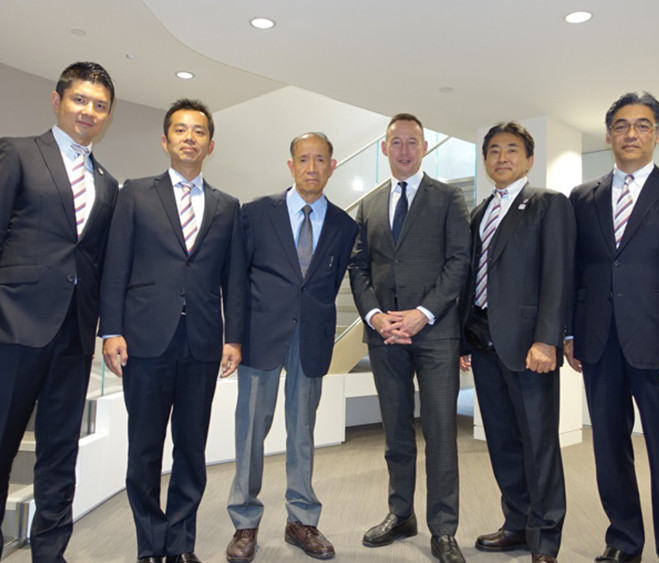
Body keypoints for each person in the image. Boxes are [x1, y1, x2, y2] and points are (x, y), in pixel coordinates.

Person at [0, 61, 118, 562]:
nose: (89, 111)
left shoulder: (107, 182)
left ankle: (51, 553)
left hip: (73, 338)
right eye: (80, 99)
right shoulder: (16, 153)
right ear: (58, 101)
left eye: (99, 105)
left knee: (60, 455)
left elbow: (96, 261)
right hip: (13, 329)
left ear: (108, 114)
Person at [565, 91, 659, 563]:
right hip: (599, 344)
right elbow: (576, 271)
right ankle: (624, 541)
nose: (631, 133)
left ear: (658, 133)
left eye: (642, 125)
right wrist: (570, 333)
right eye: (622, 125)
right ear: (609, 134)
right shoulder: (582, 197)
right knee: (609, 451)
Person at [100, 99, 246, 563]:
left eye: (198, 131)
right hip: (145, 341)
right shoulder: (135, 193)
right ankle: (150, 544)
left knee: (191, 448)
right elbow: (116, 265)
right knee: (144, 449)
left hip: (201, 343)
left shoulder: (227, 206)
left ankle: (181, 543)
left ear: (210, 145)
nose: (189, 138)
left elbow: (234, 279)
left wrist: (234, 338)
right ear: (165, 140)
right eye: (180, 130)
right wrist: (111, 329)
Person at [225, 132, 357, 562]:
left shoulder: (344, 226)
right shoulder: (255, 214)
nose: (311, 168)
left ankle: (301, 519)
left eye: (320, 160)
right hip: (261, 336)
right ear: (290, 165)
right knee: (251, 430)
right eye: (303, 159)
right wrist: (234, 338)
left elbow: (328, 285)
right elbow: (237, 280)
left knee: (302, 431)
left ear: (332, 166)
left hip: (311, 338)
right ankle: (245, 522)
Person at [349, 113, 471, 563]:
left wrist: (423, 313)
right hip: (385, 336)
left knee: (440, 433)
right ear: (384, 149)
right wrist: (375, 316)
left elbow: (459, 262)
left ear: (424, 147)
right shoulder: (370, 204)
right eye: (396, 142)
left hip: (435, 334)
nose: (404, 150)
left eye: (412, 142)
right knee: (396, 432)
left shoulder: (449, 197)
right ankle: (401, 514)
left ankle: (443, 529)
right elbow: (359, 267)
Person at [459, 123, 574, 563]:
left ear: (529, 159)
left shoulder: (548, 204)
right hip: (483, 342)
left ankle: (545, 538)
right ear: (485, 160)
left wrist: (547, 339)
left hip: (529, 348)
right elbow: (471, 280)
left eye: (512, 150)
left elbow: (558, 274)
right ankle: (516, 524)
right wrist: (464, 340)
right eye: (493, 150)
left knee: (538, 444)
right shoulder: (479, 212)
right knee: (503, 441)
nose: (502, 157)